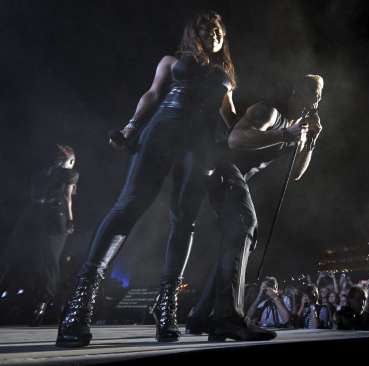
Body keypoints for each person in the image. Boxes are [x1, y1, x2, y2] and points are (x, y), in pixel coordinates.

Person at [56, 11, 238, 347]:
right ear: (192, 33)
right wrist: (130, 127)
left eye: (218, 29)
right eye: (205, 27)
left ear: (224, 36)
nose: (213, 32)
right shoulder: (172, 62)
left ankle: (166, 307)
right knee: (129, 207)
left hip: (199, 147)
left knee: (185, 223)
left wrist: (275, 136)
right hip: (162, 132)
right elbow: (152, 95)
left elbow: (231, 122)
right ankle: (79, 307)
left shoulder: (224, 76)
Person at [185, 73, 324, 341]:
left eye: (320, 94)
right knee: (245, 225)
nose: (317, 97)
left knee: (237, 238)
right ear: (297, 89)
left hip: (234, 176)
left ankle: (200, 315)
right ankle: (227, 318)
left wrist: (310, 142)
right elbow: (235, 140)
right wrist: (285, 133)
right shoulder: (270, 112)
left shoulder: (298, 128)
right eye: (312, 90)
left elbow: (296, 173)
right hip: (219, 168)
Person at [0, 144, 78, 325]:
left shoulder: (45, 174)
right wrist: (70, 220)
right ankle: (43, 302)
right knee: (49, 260)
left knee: (36, 257)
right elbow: (67, 198)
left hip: (36, 215)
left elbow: (36, 195)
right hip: (52, 217)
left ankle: (39, 302)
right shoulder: (67, 174)